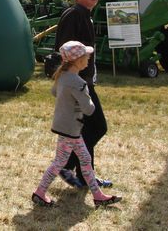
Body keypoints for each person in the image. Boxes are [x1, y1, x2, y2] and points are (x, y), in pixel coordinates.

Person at [32, 41, 122, 208]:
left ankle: (97, 196)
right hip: (71, 128)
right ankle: (40, 192)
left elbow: (54, 92)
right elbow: (89, 110)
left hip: (64, 126)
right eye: (86, 56)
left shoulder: (62, 76)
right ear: (78, 60)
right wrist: (85, 96)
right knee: (61, 162)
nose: (89, 58)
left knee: (82, 160)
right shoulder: (78, 83)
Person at [54, 0, 112, 189]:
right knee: (97, 126)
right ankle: (69, 166)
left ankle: (82, 173)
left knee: (87, 128)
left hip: (83, 80)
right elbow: (65, 49)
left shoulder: (84, 15)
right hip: (76, 82)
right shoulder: (74, 15)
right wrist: (74, 78)